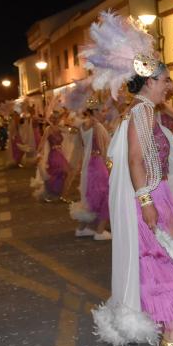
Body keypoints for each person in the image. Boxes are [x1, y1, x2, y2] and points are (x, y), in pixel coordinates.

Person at [87, 12, 173, 346]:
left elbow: (166, 126)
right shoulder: (140, 112)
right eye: (165, 79)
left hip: (157, 193)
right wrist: (148, 203)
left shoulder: (147, 110)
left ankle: (169, 328)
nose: (169, 85)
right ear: (149, 81)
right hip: (150, 196)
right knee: (166, 259)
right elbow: (135, 160)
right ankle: (172, 335)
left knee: (170, 257)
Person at [70, 98, 112, 241]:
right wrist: (111, 167)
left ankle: (81, 229)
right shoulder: (97, 126)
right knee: (106, 197)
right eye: (102, 111)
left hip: (88, 166)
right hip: (98, 164)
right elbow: (103, 149)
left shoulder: (82, 126)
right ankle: (99, 232)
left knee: (92, 199)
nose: (104, 114)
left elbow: (81, 146)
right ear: (94, 111)